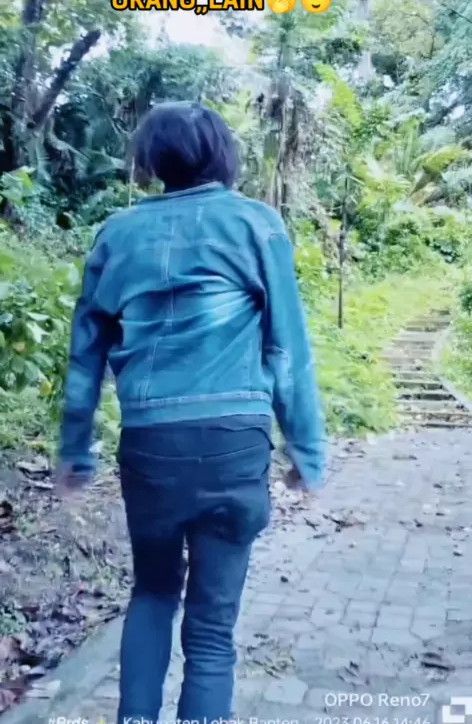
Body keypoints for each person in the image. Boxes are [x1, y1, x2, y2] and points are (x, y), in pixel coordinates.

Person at [56, 100, 327, 724]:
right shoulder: (255, 224)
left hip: (151, 446)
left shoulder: (116, 234)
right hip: (234, 444)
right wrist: (307, 451)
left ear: (152, 161)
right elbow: (287, 347)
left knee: (152, 594)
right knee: (211, 626)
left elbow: (85, 355)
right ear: (223, 154)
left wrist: (75, 450)